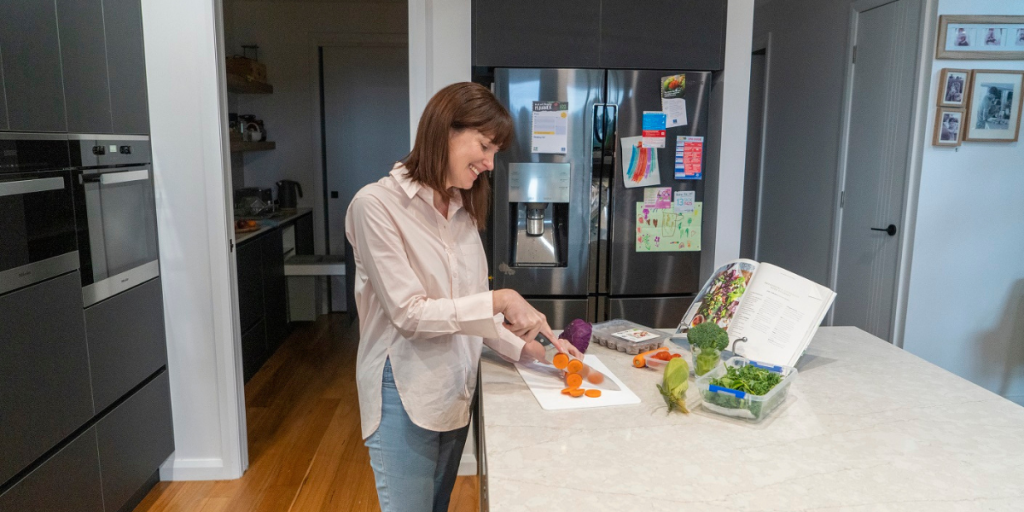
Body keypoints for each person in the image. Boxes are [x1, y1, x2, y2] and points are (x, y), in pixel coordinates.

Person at [345, 82, 583, 512]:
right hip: (403, 386)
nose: (489, 164)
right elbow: (410, 315)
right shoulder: (376, 206)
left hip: (457, 385)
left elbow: (467, 310)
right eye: (485, 147)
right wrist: (501, 298)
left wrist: (532, 349)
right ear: (445, 131)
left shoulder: (459, 208)